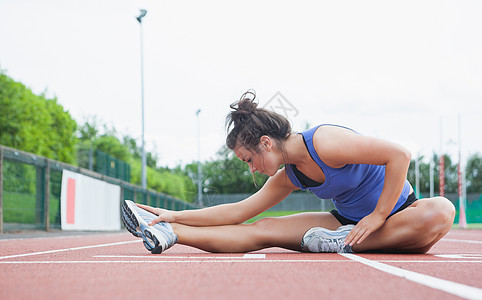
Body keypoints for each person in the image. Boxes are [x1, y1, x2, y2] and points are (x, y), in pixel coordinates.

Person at [121, 91, 455, 254]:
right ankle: (170, 237)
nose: (250, 168)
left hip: (399, 214)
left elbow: (399, 154)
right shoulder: (288, 175)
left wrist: (379, 215)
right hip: (346, 225)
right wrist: (175, 218)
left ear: (266, 143)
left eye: (248, 159)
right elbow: (238, 212)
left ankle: (353, 242)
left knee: (440, 211)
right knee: (263, 228)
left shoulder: (326, 142)